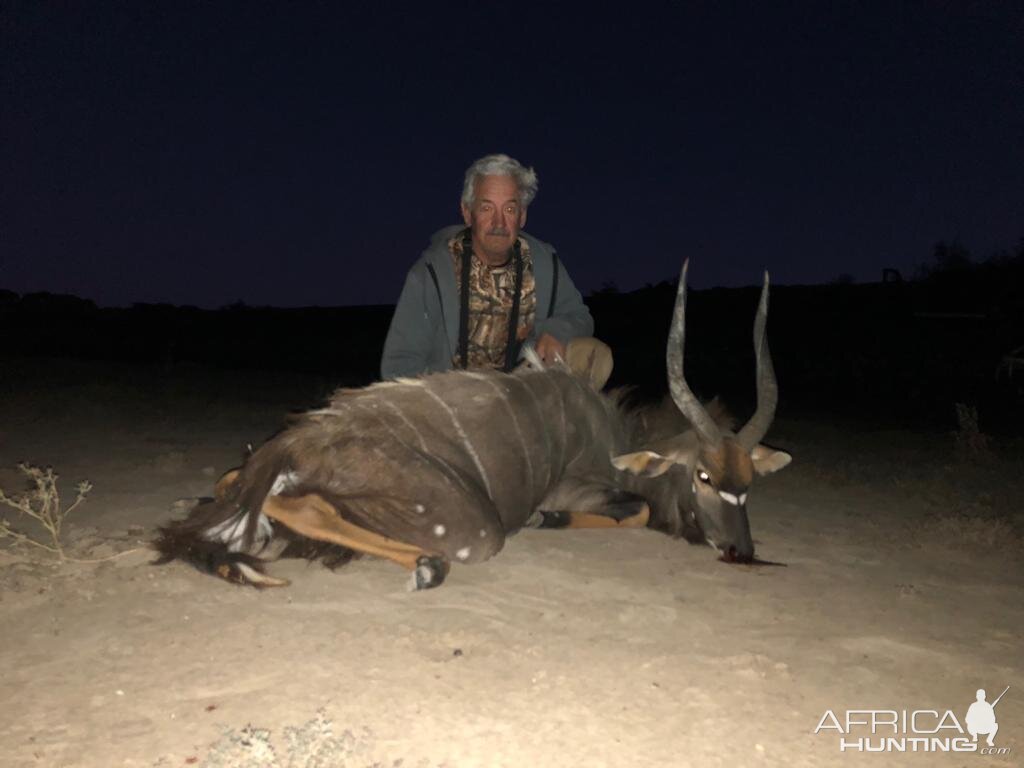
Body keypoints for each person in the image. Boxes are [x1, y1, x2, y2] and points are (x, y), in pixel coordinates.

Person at [381, 153, 594, 379]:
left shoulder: (544, 264)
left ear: (522, 216)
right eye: (487, 208)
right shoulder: (430, 273)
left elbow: (580, 316)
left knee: (595, 354)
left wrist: (557, 332)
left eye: (509, 210)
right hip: (453, 400)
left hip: (520, 395)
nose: (499, 223)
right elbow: (398, 365)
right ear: (467, 213)